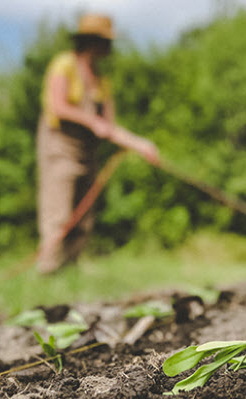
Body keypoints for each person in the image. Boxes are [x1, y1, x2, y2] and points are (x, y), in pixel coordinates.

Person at [35, 13, 160, 274]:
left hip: (87, 151)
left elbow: (109, 127)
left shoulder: (101, 81)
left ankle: (70, 270)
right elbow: (58, 106)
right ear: (92, 41)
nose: (110, 47)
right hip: (60, 146)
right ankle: (47, 270)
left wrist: (140, 145)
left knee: (83, 217)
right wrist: (91, 121)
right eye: (106, 41)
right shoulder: (64, 64)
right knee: (57, 213)